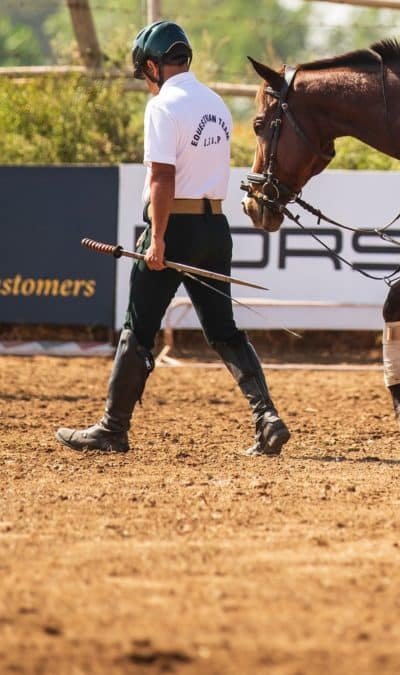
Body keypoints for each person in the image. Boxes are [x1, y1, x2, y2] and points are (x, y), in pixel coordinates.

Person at [56, 20, 290, 457]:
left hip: (174, 227)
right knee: (223, 330)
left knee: (138, 329)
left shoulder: (163, 106)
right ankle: (267, 418)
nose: (146, 84)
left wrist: (157, 239)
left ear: (152, 65)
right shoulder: (216, 104)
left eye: (144, 74)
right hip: (214, 228)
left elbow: (162, 176)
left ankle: (112, 428)